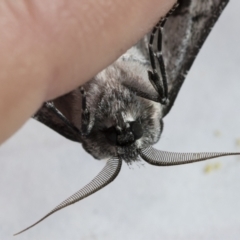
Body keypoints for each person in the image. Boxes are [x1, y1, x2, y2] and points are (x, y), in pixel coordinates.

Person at [0, 0, 174, 144]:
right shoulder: (153, 104)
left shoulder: (87, 131)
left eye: (116, 134)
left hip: (54, 38)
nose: (122, 126)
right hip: (118, 30)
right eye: (133, 129)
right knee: (162, 96)